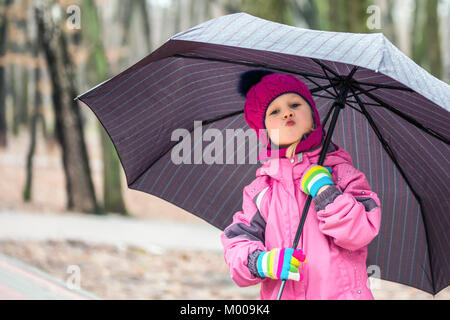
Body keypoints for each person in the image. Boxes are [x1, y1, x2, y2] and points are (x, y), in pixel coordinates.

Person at [220, 70, 382, 300]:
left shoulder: (343, 176)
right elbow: (237, 242)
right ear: (263, 131)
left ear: (313, 115)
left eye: (295, 104)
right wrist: (261, 261)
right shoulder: (262, 191)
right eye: (274, 111)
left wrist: (326, 192)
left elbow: (359, 233)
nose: (287, 112)